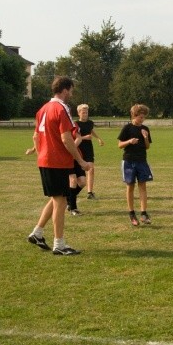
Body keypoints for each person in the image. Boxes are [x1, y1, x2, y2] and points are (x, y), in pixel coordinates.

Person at [27, 76, 90, 255]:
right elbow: (66, 137)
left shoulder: (42, 109)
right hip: (57, 161)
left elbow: (37, 136)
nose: (71, 93)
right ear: (64, 89)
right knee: (61, 201)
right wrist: (80, 160)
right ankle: (59, 245)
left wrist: (40, 154)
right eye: (70, 90)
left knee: (56, 197)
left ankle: (37, 233)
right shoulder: (61, 108)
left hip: (45, 159)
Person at [118, 104, 153, 226]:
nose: (142, 119)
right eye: (140, 117)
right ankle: (132, 214)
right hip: (129, 161)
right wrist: (129, 141)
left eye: (144, 117)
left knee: (143, 186)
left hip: (142, 161)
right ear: (134, 115)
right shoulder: (127, 128)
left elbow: (147, 146)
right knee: (130, 187)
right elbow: (119, 145)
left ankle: (144, 213)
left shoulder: (145, 129)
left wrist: (145, 137)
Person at [76, 104, 104, 200]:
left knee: (91, 169)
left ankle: (90, 192)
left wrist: (98, 139)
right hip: (78, 149)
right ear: (79, 113)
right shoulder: (76, 124)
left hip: (88, 148)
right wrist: (84, 137)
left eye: (86, 112)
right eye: (83, 112)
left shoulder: (90, 123)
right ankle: (73, 190)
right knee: (78, 173)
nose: (85, 114)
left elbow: (91, 131)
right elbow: (74, 137)